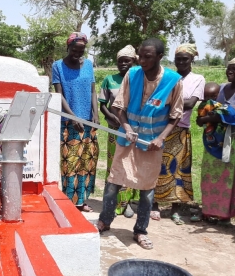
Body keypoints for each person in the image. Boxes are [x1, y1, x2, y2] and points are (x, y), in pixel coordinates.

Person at [96, 38, 184, 250]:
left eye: (148, 57)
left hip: (152, 144)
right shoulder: (132, 75)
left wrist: (161, 137)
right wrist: (126, 127)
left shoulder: (173, 81)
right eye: (140, 56)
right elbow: (119, 107)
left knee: (147, 190)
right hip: (127, 139)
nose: (142, 61)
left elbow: (175, 116)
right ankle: (105, 221)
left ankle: (140, 230)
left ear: (160, 57)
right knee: (113, 182)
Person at [197, 56, 235, 224]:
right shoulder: (220, 88)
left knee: (227, 178)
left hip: (230, 139)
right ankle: (209, 211)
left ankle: (225, 215)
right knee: (210, 175)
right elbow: (207, 109)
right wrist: (204, 118)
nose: (230, 71)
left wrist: (206, 118)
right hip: (212, 138)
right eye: (229, 68)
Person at [154, 43, 205, 225]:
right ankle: (154, 205)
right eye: (178, 59)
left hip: (181, 128)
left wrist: (167, 101)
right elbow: (156, 99)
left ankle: (175, 208)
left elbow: (191, 104)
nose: (181, 62)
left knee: (177, 169)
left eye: (185, 59)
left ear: (192, 59)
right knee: (157, 166)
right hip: (160, 127)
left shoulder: (197, 79)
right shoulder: (167, 77)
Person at [52, 32, 99, 212]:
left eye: (81, 51)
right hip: (68, 122)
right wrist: (72, 116)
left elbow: (93, 91)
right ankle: (69, 203)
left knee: (87, 161)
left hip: (88, 122)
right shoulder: (58, 66)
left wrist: (95, 113)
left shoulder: (88, 64)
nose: (77, 54)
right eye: (74, 50)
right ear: (68, 48)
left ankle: (82, 200)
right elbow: (59, 94)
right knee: (70, 163)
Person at [99, 45, 140, 218]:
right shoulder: (109, 79)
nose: (123, 64)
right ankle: (113, 201)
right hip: (115, 129)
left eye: (127, 61)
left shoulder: (139, 79)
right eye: (120, 61)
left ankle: (127, 202)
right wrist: (111, 116)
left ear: (133, 62)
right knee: (114, 163)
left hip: (134, 130)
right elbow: (102, 104)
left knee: (131, 165)